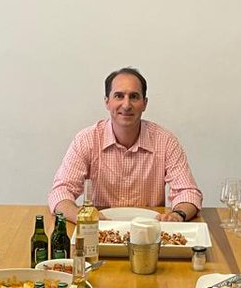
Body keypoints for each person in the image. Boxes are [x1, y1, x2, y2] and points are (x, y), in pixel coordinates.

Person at [48, 67, 202, 224]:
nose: (126, 105)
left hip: (149, 234)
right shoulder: (87, 140)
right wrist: (83, 218)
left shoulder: (166, 141)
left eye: (134, 97)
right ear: (107, 102)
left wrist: (177, 215)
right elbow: (61, 192)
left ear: (145, 103)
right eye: (119, 96)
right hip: (100, 231)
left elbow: (188, 192)